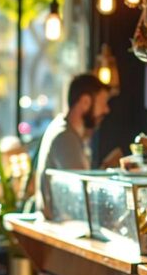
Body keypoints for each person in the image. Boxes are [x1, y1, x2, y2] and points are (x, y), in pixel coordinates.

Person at [34, 74, 111, 219]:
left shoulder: (66, 131)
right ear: (85, 102)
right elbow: (82, 193)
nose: (106, 110)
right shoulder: (65, 137)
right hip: (59, 229)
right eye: (103, 103)